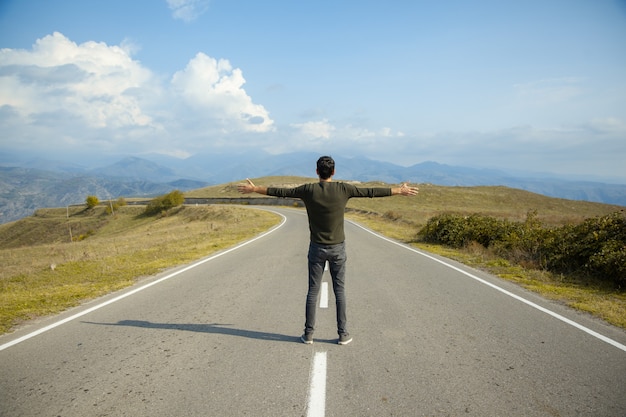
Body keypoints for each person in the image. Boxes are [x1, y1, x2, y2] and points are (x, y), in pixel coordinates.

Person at [237, 156, 419, 345]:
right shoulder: (344, 189)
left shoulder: (308, 190)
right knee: (339, 291)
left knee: (312, 292)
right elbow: (370, 192)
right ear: (333, 172)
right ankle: (343, 334)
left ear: (317, 172)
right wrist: (399, 191)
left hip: (316, 248)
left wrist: (255, 189)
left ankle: (308, 335)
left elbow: (281, 192)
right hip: (338, 249)